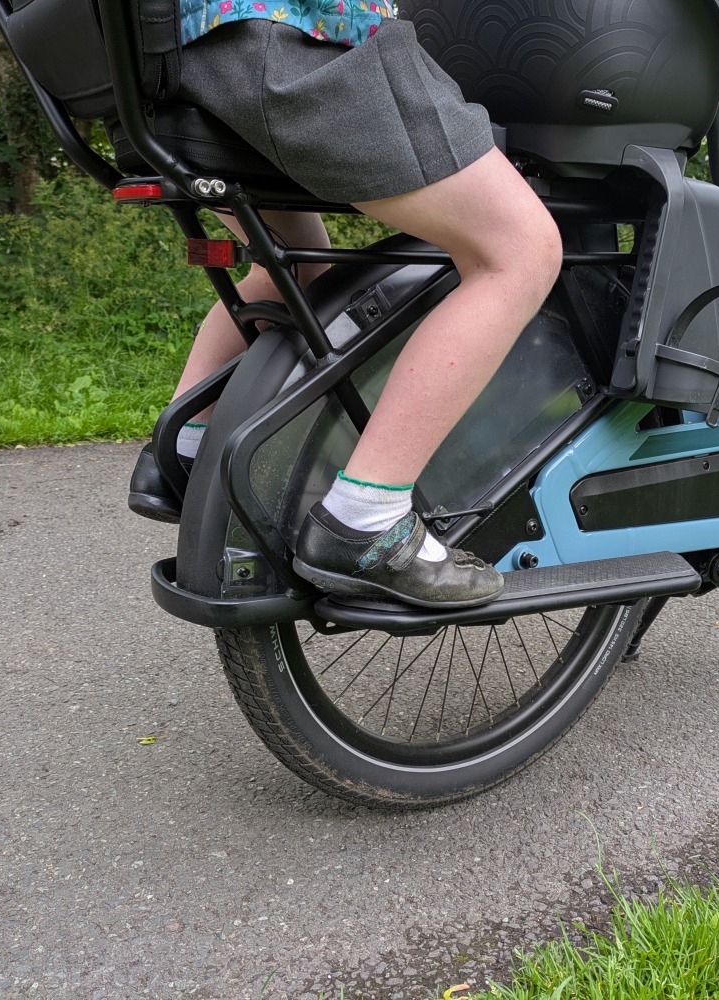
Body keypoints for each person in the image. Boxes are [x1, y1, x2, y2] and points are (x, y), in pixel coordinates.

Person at [131, 3, 562, 609]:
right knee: (520, 251)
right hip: (289, 45)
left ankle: (182, 447)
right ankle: (368, 519)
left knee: (294, 266)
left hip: (167, 68)